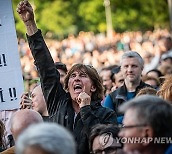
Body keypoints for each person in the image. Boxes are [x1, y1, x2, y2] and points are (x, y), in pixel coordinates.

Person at [16, 1, 117, 154]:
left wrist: (86, 109)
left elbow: (105, 145)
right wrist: (30, 24)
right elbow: (46, 68)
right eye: (73, 76)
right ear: (67, 84)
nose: (76, 79)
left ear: (94, 86)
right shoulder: (58, 102)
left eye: (83, 76)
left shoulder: (106, 114)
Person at [103, 51, 151, 124]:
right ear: (121, 69)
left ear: (142, 68)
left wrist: (118, 120)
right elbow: (105, 123)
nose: (130, 70)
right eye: (126, 66)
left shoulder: (152, 93)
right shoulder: (112, 97)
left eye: (134, 66)